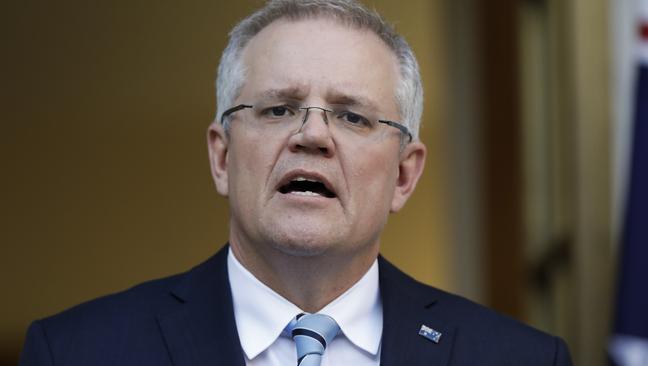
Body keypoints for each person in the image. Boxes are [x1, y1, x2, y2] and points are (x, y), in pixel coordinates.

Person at [19, 1, 572, 365]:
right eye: (280, 109)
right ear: (222, 155)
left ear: (404, 174)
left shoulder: (516, 358)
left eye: (352, 116)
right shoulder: (77, 352)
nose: (313, 135)